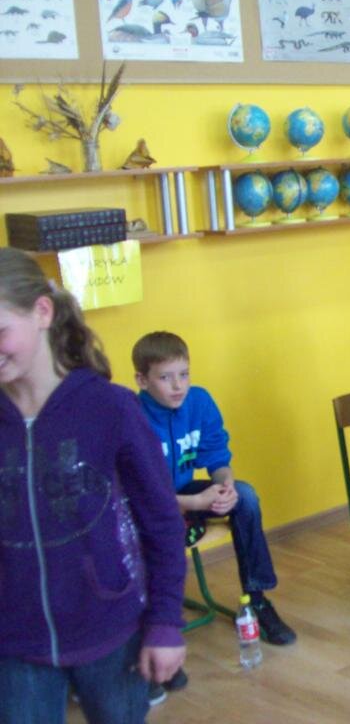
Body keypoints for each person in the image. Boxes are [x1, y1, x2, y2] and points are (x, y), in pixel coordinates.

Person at [0, 248, 185, 724]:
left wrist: (166, 621)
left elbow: (162, 522)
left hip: (112, 633)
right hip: (14, 642)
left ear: (42, 312)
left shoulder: (110, 409)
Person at [131, 331, 297, 651]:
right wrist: (193, 502)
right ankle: (145, 621)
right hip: (146, 506)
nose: (178, 386)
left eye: (184, 374)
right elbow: (136, 494)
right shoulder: (133, 416)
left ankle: (256, 599)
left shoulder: (199, 401)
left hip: (184, 493)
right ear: (142, 380)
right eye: (165, 377)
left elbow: (216, 456)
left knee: (245, 497)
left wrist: (225, 485)